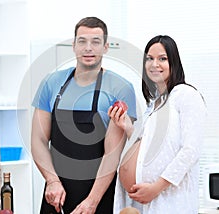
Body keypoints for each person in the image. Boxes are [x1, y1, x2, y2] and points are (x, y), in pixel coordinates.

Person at [31, 17, 137, 214]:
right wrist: (52, 181)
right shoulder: (51, 82)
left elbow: (112, 154)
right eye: (82, 41)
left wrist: (91, 202)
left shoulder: (121, 89)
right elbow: (38, 139)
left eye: (96, 42)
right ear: (73, 46)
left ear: (105, 47)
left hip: (99, 197)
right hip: (56, 195)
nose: (88, 48)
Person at [109, 35, 207, 213]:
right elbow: (148, 146)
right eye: (149, 59)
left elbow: (191, 150)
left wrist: (157, 187)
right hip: (142, 202)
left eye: (162, 59)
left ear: (174, 62)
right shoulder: (155, 104)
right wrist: (127, 127)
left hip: (168, 200)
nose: (154, 64)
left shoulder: (186, 95)